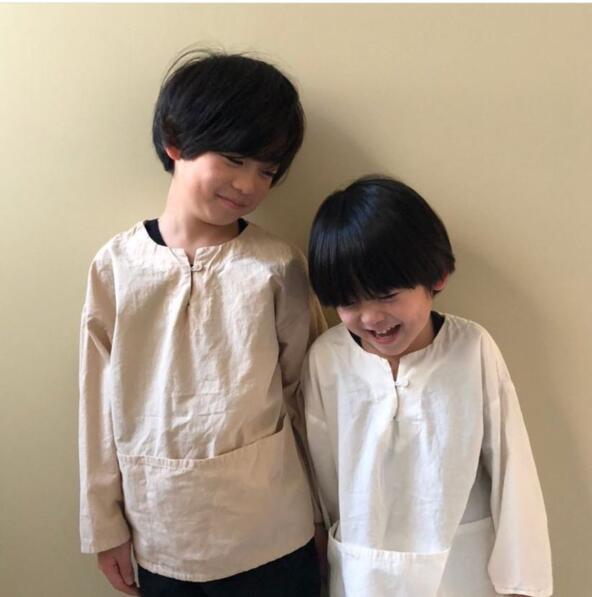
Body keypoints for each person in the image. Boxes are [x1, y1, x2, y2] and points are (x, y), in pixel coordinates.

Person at [79, 49, 325, 596]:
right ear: (175, 141)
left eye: (267, 171)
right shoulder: (116, 267)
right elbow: (97, 405)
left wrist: (323, 515)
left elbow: (307, 397)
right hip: (162, 532)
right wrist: (103, 525)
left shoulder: (278, 266)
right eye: (234, 158)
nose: (249, 184)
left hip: (273, 529)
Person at [302, 176, 553, 596]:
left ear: (437, 276)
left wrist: (522, 583)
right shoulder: (327, 360)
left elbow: (513, 469)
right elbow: (323, 482)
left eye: (387, 294)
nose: (371, 317)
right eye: (350, 301)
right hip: (365, 571)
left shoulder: (471, 349)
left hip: (463, 569)